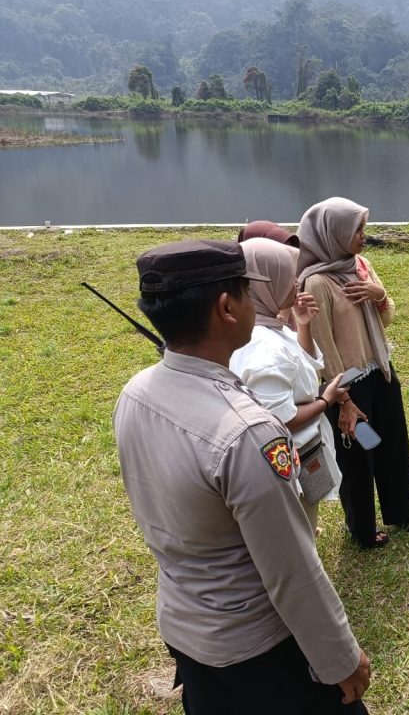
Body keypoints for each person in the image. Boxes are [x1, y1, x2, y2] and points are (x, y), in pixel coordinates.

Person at [113, 239, 371, 713]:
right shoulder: (247, 433)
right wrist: (340, 658)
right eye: (247, 293)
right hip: (261, 649)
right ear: (227, 307)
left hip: (187, 630)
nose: (257, 303)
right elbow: (291, 569)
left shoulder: (136, 392)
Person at [297, 197, 409, 549]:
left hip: (380, 370)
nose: (363, 237)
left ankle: (403, 511)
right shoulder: (318, 284)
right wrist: (344, 401)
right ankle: (362, 527)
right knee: (357, 456)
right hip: (348, 384)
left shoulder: (360, 265)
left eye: (363, 229)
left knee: (393, 443)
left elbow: (387, 318)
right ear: (333, 233)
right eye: (357, 230)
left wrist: (379, 294)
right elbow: (323, 348)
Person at [229, 237, 360, 532]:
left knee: (304, 518)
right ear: (266, 285)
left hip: (300, 453)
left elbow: (301, 361)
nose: (298, 284)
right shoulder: (263, 351)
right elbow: (280, 421)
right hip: (287, 461)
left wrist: (302, 325)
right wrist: (326, 400)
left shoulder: (266, 326)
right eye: (290, 278)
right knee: (297, 533)